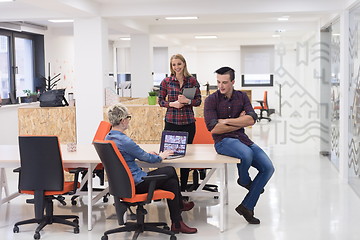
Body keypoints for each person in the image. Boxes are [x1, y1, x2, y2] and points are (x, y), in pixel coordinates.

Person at [105, 103, 197, 234]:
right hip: (136, 184)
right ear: (123, 120)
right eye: (128, 118)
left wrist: (150, 155)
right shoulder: (125, 141)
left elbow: (134, 154)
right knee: (170, 170)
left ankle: (177, 222)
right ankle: (180, 208)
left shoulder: (108, 138)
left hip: (122, 185)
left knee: (171, 183)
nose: (128, 121)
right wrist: (161, 156)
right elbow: (147, 158)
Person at [204, 67, 275, 224]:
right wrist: (239, 121)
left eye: (225, 82)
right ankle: (244, 180)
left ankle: (246, 206)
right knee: (246, 155)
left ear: (233, 82)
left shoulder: (242, 97)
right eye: (218, 82)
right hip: (223, 141)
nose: (221, 86)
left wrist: (226, 121)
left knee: (268, 168)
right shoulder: (211, 100)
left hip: (243, 139)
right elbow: (214, 128)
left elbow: (251, 119)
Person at [158, 54, 202, 192]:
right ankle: (169, 188)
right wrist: (173, 104)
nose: (176, 67)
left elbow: (198, 101)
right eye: (173, 65)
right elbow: (160, 101)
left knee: (185, 157)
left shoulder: (192, 81)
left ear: (184, 64)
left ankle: (183, 189)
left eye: (179, 64)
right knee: (169, 155)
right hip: (172, 122)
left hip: (188, 123)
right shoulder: (166, 82)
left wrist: (187, 101)